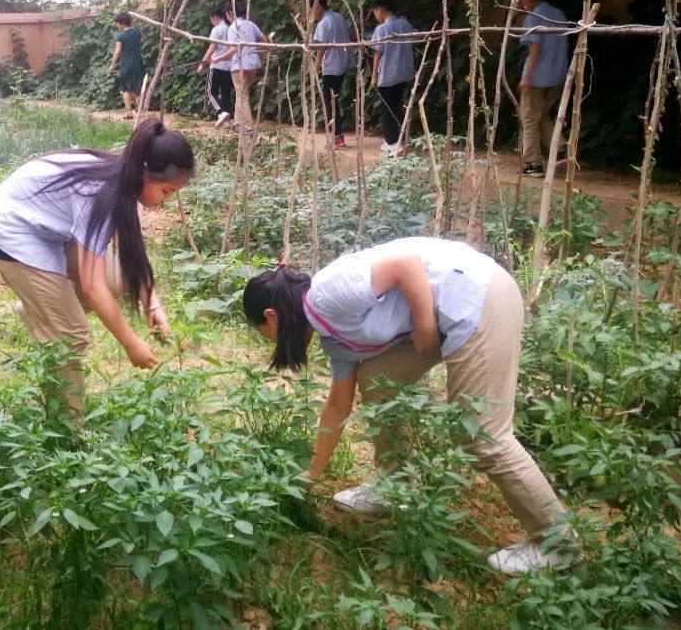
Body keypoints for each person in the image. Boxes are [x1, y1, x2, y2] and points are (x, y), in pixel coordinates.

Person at [242, 238, 570, 575]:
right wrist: (310, 474)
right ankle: (394, 486)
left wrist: (426, 327)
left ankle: (556, 543)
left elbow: (405, 264)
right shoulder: (333, 336)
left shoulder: (327, 293)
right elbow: (337, 408)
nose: (267, 340)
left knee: (482, 435)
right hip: (442, 313)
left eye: (261, 331)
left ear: (271, 316)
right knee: (376, 378)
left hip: (479, 296)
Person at [0, 119, 194, 415]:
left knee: (118, 278)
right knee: (70, 336)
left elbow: (131, 254)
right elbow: (92, 287)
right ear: (145, 172)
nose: (166, 201)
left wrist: (151, 303)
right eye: (166, 191)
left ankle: (40, 309)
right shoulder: (101, 191)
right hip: (13, 231)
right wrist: (131, 344)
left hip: (48, 230)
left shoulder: (122, 177)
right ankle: (67, 428)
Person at [516, 0, 570, 178]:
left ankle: (533, 164)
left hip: (538, 78)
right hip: (558, 75)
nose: (521, 2)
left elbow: (535, 50)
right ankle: (560, 146)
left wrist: (526, 78)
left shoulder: (532, 18)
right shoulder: (559, 14)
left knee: (529, 119)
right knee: (541, 116)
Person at [369, 0, 417, 158]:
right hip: (404, 74)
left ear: (380, 10)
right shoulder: (404, 24)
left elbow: (377, 54)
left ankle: (393, 144)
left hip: (388, 76)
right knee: (395, 106)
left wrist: (374, 76)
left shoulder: (381, 29)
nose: (375, 15)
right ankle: (396, 140)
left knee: (387, 110)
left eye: (374, 11)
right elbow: (419, 36)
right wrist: (406, 23)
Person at [210, 1, 268, 134]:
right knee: (242, 93)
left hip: (239, 65)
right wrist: (255, 49)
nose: (227, 17)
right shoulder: (251, 24)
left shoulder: (233, 27)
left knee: (242, 95)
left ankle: (247, 125)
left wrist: (218, 58)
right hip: (253, 64)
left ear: (231, 13)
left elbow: (234, 48)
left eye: (227, 14)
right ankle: (238, 122)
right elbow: (264, 40)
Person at [311, 0, 353, 150]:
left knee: (330, 103)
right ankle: (338, 136)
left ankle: (337, 138)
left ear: (319, 8)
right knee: (333, 100)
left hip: (332, 68)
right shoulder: (339, 17)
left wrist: (315, 69)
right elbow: (351, 35)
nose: (311, 14)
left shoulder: (324, 23)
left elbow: (321, 48)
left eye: (311, 10)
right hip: (343, 64)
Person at [196, 5, 234, 128]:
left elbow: (212, 48)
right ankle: (226, 121)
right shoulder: (230, 29)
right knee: (226, 93)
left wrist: (202, 64)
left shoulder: (216, 30)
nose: (212, 22)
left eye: (211, 20)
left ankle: (221, 112)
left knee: (211, 92)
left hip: (217, 65)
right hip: (229, 66)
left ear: (215, 18)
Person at [109, 12, 145, 119]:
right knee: (137, 88)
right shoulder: (137, 33)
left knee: (126, 89)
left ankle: (130, 112)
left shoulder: (120, 36)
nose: (116, 25)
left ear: (122, 23)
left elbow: (117, 51)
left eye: (117, 23)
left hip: (126, 65)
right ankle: (136, 112)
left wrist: (112, 65)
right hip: (138, 63)